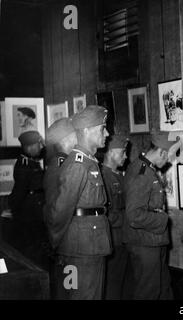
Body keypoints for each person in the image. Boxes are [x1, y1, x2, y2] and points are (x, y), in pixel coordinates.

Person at [47, 105, 111, 300]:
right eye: (102, 128)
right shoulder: (78, 164)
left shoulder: (88, 161)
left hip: (87, 245)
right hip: (81, 248)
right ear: (86, 131)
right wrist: (57, 243)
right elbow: (61, 210)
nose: (106, 133)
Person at [123, 132, 181, 300]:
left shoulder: (146, 168)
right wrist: (163, 219)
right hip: (144, 243)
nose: (169, 161)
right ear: (162, 152)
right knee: (149, 292)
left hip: (151, 241)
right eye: (169, 156)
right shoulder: (142, 172)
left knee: (163, 288)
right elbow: (134, 215)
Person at [42, 117, 77, 299]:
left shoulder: (66, 163)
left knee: (73, 289)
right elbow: (53, 209)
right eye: (74, 134)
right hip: (64, 242)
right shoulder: (59, 166)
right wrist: (59, 244)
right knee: (68, 289)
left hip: (68, 240)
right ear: (65, 139)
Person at [8, 130, 48, 268]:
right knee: (34, 256)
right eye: (39, 144)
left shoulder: (31, 162)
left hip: (34, 215)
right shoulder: (24, 165)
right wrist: (14, 210)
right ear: (30, 147)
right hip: (30, 218)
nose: (42, 147)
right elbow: (19, 193)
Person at [101, 134, 129, 300]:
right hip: (113, 240)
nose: (125, 156)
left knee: (122, 284)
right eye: (122, 152)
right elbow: (106, 214)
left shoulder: (119, 175)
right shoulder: (103, 177)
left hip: (123, 239)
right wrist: (130, 218)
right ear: (110, 153)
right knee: (112, 284)